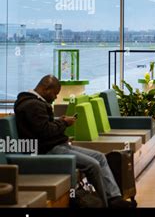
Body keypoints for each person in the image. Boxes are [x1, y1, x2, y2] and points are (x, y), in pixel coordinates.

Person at [13, 75, 133, 208]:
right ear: (46, 88)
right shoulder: (32, 105)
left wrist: (59, 121)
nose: (55, 97)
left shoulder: (36, 103)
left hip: (59, 145)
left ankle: (114, 198)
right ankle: (107, 205)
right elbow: (45, 132)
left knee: (100, 157)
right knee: (93, 165)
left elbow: (45, 126)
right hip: (47, 149)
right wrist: (64, 123)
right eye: (55, 93)